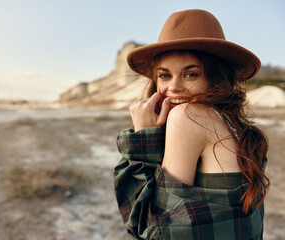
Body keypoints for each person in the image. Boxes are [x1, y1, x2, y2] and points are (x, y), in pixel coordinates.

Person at [114, 9, 269, 239]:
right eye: (165, 75)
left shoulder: (188, 116)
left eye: (190, 74)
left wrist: (143, 138)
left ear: (216, 77)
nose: (174, 87)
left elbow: (155, 229)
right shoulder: (231, 124)